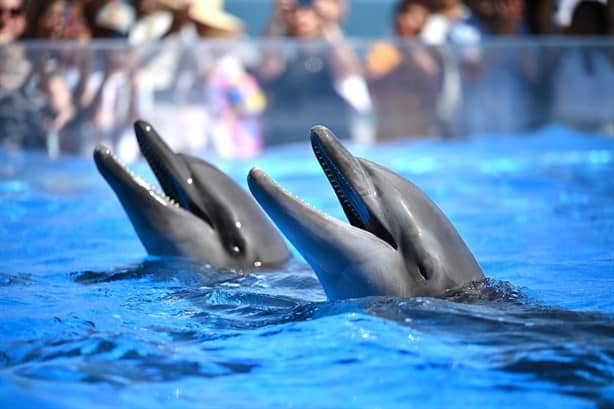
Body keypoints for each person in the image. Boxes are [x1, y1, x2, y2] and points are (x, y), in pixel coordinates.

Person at [259, 0, 372, 144]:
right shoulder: (282, 48)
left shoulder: (332, 47)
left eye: (309, 10)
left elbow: (348, 73)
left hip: (332, 136)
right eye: (296, 10)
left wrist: (330, 24)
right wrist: (276, 20)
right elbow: (267, 72)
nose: (301, 17)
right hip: (285, 137)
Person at [364, 0, 442, 139]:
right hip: (388, 131)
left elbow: (431, 78)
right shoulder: (383, 49)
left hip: (422, 130)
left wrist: (411, 44)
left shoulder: (430, 50)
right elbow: (373, 83)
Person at [551, 0, 614, 132]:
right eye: (581, 19)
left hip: (605, 132)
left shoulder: (608, 55)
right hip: (567, 131)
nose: (586, 26)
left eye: (592, 20)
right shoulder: (560, 53)